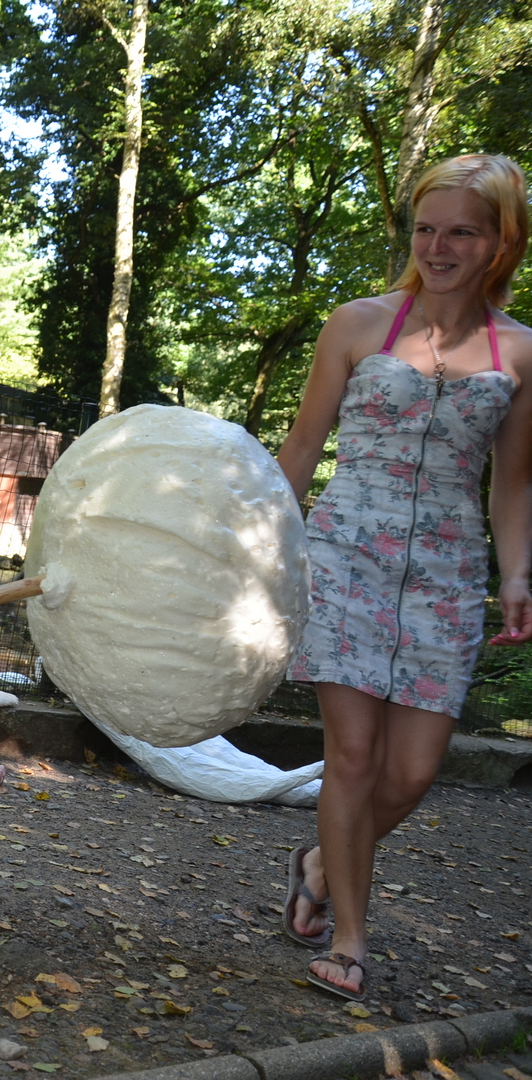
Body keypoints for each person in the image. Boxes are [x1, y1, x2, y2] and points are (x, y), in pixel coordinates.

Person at [276, 154, 532, 1000]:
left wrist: (517, 574)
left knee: (413, 771)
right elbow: (303, 450)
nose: (438, 245)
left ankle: (319, 859)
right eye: (425, 228)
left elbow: (512, 482)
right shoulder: (357, 324)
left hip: (448, 573)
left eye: (461, 230)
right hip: (343, 552)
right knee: (350, 756)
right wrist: (262, 546)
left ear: (499, 241)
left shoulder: (520, 353)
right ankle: (350, 938)